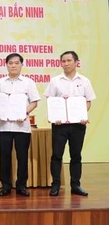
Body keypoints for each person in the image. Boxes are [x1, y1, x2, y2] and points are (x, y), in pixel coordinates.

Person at [44, 51, 95, 197]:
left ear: (76, 62)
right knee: (57, 155)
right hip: (60, 125)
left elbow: (88, 101)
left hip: (78, 125)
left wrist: (83, 115)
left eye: (68, 61)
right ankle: (55, 185)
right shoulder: (55, 81)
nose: (65, 64)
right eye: (63, 61)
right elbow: (51, 101)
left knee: (76, 155)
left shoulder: (84, 81)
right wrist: (54, 117)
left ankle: (76, 185)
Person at [0, 53, 40, 197]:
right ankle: (5, 186)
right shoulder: (0, 82)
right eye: (10, 63)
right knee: (5, 156)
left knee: (22, 157)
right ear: (6, 65)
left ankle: (21, 186)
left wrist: (24, 112)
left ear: (21, 65)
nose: (13, 65)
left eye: (16, 63)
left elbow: (34, 101)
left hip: (22, 127)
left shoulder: (28, 82)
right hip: (4, 126)